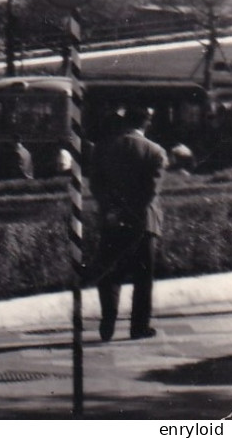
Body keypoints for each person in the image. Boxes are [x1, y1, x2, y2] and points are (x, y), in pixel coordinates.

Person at [90, 105, 169, 342]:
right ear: (147, 123)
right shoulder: (155, 151)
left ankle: (108, 322)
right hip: (144, 223)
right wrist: (134, 213)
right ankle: (139, 327)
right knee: (143, 278)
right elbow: (150, 191)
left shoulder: (102, 148)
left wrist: (114, 210)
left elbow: (96, 186)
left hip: (113, 220)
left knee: (111, 272)